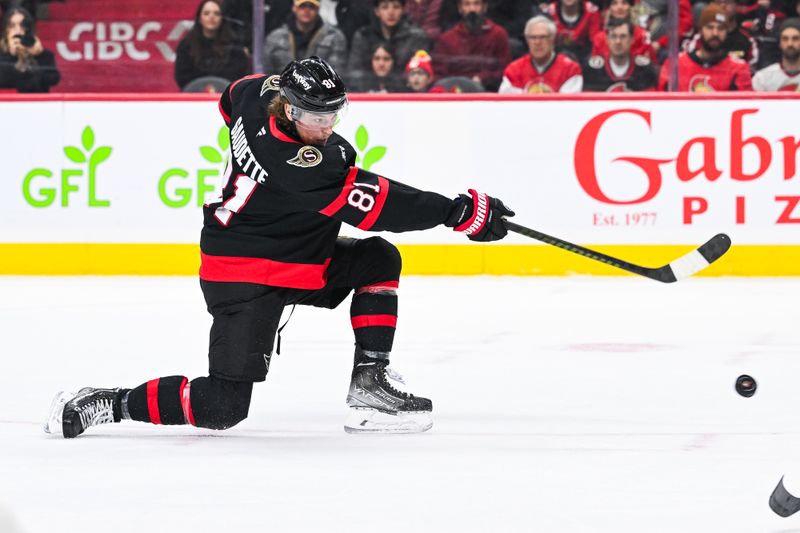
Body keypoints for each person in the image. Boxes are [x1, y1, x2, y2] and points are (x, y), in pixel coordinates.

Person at [43, 56, 515, 438]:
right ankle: (111, 402)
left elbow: (230, 99)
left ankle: (370, 384)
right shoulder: (299, 164)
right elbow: (380, 206)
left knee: (377, 259)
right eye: (314, 116)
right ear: (288, 110)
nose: (325, 126)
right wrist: (458, 212)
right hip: (242, 273)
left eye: (332, 114)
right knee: (223, 407)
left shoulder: (257, 94)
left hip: (296, 255)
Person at [658, 4, 752, 90]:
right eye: (710, 27)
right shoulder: (675, 65)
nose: (715, 33)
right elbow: (660, 102)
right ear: (700, 30)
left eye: (721, 28)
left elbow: (745, 103)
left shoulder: (738, 68)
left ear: (726, 32)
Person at [432, 0, 511, 91]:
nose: (472, 9)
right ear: (460, 8)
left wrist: (483, 78)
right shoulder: (447, 39)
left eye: (476, 4)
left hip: (490, 94)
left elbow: (506, 70)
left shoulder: (498, 34)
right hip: (454, 96)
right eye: (467, 4)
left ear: (484, 7)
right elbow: (439, 74)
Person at [174, 0, 250, 90]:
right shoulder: (186, 45)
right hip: (195, 99)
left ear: (222, 18)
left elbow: (239, 76)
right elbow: (182, 76)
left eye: (217, 13)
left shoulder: (234, 44)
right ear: (199, 18)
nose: (212, 17)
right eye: (206, 13)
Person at [499, 15, 583, 93]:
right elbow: (507, 104)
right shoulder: (514, 70)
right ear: (527, 41)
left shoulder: (570, 69)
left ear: (552, 39)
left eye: (543, 37)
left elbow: (569, 105)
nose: (537, 42)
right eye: (533, 37)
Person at [348, 0, 430, 77]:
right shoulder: (364, 36)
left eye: (396, 7)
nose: (391, 12)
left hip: (404, 89)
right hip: (368, 88)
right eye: (385, 7)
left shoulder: (416, 37)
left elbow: (420, 72)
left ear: (403, 10)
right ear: (377, 11)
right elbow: (355, 71)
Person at [262, 0, 347, 73]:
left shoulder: (334, 37)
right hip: (281, 90)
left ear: (318, 9)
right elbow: (266, 73)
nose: (307, 10)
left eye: (311, 6)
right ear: (294, 8)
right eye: (302, 6)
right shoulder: (275, 38)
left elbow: (337, 72)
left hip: (320, 90)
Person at [583, 18, 658, 91]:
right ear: (607, 39)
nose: (618, 41)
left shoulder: (645, 69)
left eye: (623, 36)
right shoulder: (592, 70)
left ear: (632, 39)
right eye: (613, 36)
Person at [684, 0, 759, 70]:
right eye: (718, 2)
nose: (723, 6)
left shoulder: (747, 40)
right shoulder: (699, 38)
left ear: (736, 5)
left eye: (727, 2)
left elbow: (751, 72)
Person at [0, 6, 59, 92]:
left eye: (22, 25)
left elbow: (53, 79)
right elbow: (4, 82)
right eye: (12, 26)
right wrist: (11, 56)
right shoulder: (2, 56)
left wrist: (39, 55)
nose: (18, 30)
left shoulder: (43, 54)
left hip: (38, 103)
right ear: (5, 30)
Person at [590, 0, 655, 61]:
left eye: (624, 3)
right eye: (615, 3)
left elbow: (652, 66)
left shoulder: (642, 35)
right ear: (609, 8)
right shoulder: (599, 38)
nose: (619, 7)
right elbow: (595, 66)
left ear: (630, 7)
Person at [753, 17, 800, 89]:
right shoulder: (762, 78)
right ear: (779, 43)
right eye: (785, 39)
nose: (790, 44)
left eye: (795, 38)